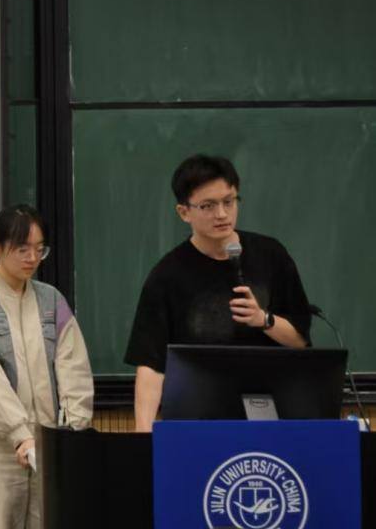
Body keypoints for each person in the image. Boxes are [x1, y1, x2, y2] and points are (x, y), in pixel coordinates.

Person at [125, 153, 312, 432]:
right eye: (208, 206)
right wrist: (144, 433)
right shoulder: (166, 276)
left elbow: (300, 340)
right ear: (184, 212)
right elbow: (151, 365)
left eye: (229, 201)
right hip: (197, 421)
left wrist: (264, 319)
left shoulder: (271, 255)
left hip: (270, 417)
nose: (222, 214)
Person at [0, 205, 94, 529]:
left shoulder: (52, 301)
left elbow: (75, 369)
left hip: (49, 440)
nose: (32, 258)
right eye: (22, 249)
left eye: (39, 249)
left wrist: (71, 432)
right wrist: (20, 435)